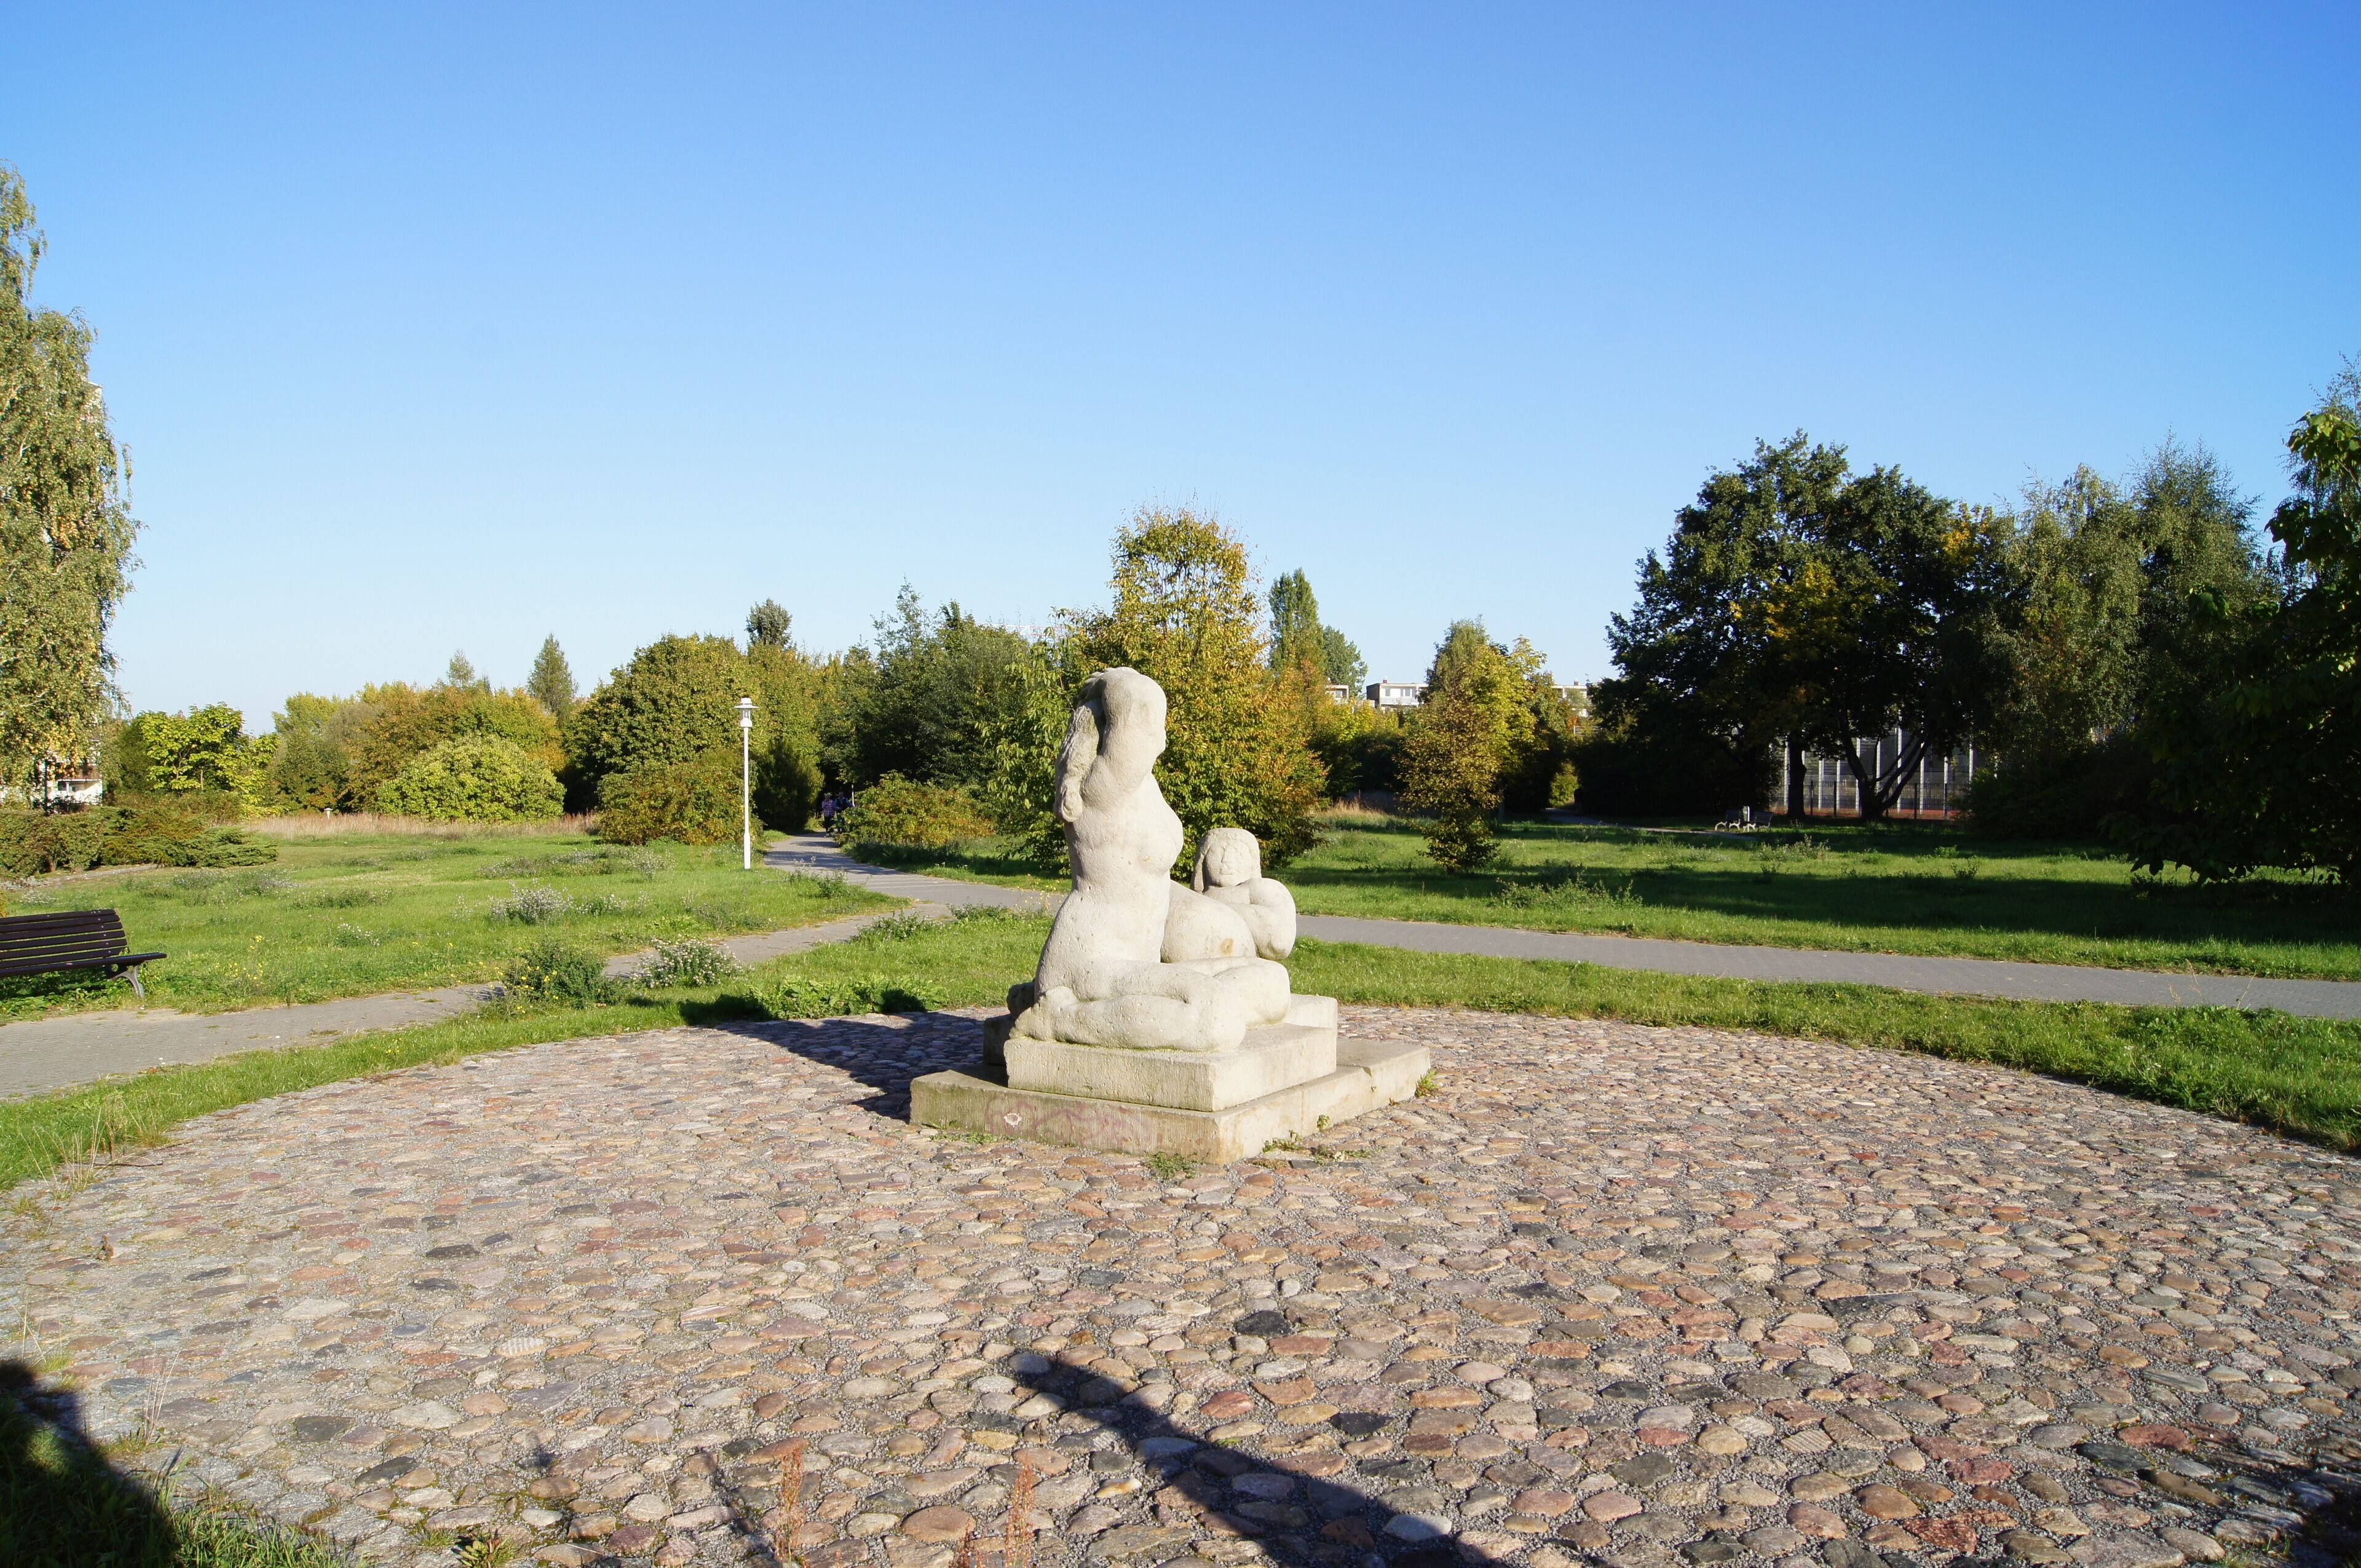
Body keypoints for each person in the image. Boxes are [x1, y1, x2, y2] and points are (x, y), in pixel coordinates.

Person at [1011, 668, 1289, 1054]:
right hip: (1090, 961)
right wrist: (1108, 681)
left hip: (1137, 964)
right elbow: (1140, 701)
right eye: (1159, 728)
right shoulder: (1101, 791)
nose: (1163, 738)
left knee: (1271, 980)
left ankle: (1122, 1011)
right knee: (1216, 1020)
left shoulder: (1145, 789)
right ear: (1117, 733)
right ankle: (1056, 1018)